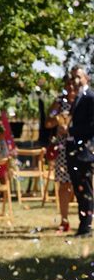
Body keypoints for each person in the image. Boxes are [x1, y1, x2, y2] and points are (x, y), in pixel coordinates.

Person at [45, 77, 77, 233]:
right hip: (63, 148)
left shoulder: (84, 101)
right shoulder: (59, 103)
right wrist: (57, 119)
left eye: (73, 84)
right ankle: (64, 220)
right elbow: (48, 122)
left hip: (80, 146)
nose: (71, 87)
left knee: (82, 184)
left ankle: (86, 220)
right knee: (64, 184)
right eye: (68, 84)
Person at [66, 64, 94, 238]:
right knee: (78, 187)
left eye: (78, 77)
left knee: (86, 187)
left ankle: (87, 225)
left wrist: (72, 131)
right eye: (73, 77)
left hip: (85, 149)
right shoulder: (75, 97)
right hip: (74, 148)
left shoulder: (90, 97)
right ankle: (83, 223)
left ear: (86, 78)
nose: (75, 80)